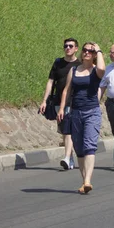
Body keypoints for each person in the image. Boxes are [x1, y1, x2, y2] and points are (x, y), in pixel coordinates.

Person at [57, 42, 105, 194]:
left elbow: (103, 68)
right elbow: (66, 90)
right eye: (85, 50)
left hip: (92, 112)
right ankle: (84, 181)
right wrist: (63, 108)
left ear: (95, 54)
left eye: (91, 51)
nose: (87, 53)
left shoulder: (96, 70)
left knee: (89, 145)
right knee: (79, 148)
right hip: (76, 112)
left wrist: (99, 50)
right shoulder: (74, 70)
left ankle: (87, 181)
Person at [39, 38, 81, 170]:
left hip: (74, 102)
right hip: (58, 101)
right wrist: (44, 100)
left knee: (68, 130)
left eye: (70, 46)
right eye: (65, 46)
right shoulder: (58, 63)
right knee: (64, 131)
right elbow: (50, 82)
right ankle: (70, 157)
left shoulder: (79, 64)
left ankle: (67, 158)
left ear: (76, 49)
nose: (67, 48)